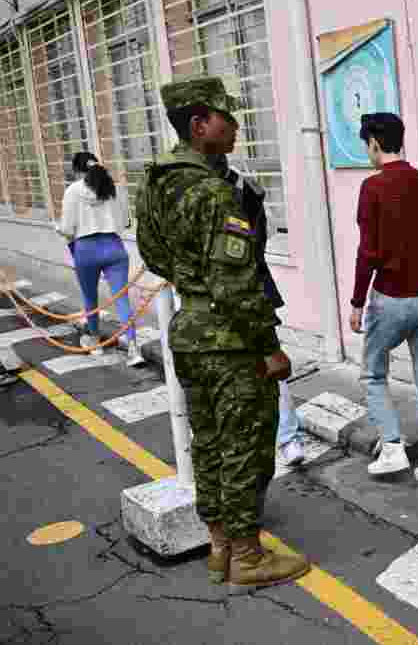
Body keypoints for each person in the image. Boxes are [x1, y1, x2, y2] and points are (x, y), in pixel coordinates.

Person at [135, 75, 310, 590]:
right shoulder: (213, 192)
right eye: (226, 117)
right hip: (229, 341)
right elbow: (236, 284)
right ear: (199, 124)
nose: (235, 125)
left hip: (189, 330)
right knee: (246, 447)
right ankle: (249, 559)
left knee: (207, 443)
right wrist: (269, 348)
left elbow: (153, 255)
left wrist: (191, 280)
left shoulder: (156, 183)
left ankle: (220, 549)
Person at [349, 112, 418, 490]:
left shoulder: (372, 188)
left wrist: (358, 301)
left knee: (373, 373)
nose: (367, 151)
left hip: (390, 299)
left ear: (375, 144)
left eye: (366, 144)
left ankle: (392, 447)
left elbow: (368, 252)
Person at [211, 154, 305, 467]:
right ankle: (287, 440)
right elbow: (260, 242)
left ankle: (284, 439)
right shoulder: (246, 187)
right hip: (248, 288)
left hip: (237, 292)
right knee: (269, 365)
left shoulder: (236, 191)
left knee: (265, 366)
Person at [55, 152, 145, 366]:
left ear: (77, 171)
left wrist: (59, 229)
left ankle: (94, 342)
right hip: (114, 248)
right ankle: (133, 349)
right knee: (122, 299)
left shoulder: (72, 191)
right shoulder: (115, 188)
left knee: (90, 299)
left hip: (85, 250)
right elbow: (125, 223)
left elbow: (68, 229)